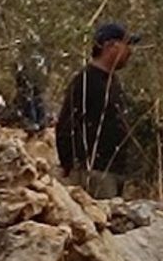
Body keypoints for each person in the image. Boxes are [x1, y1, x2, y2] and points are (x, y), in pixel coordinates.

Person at [55, 21, 141, 199]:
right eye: (127, 45)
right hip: (94, 172)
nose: (130, 51)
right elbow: (65, 125)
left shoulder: (113, 81)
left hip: (115, 170)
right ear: (111, 46)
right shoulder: (85, 81)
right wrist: (70, 163)